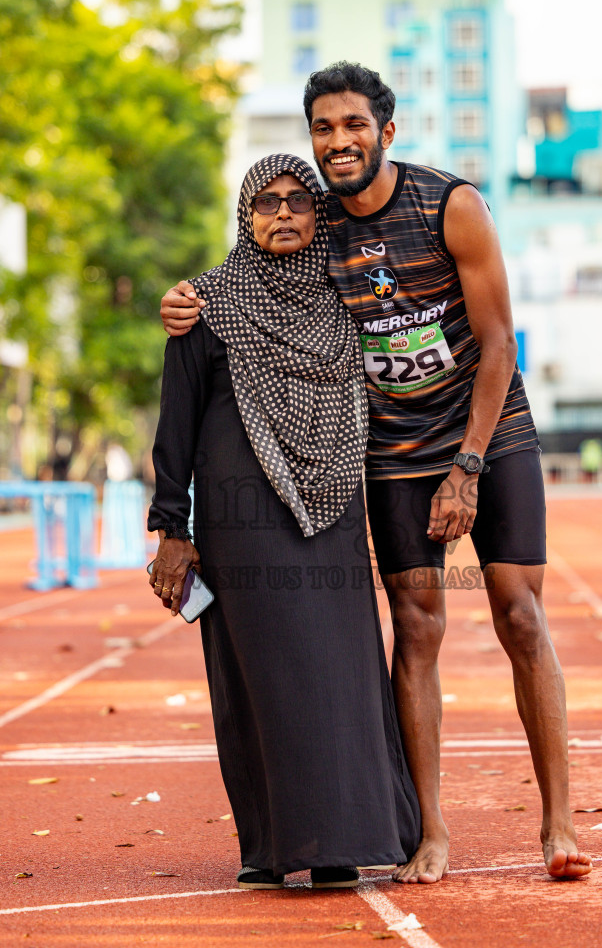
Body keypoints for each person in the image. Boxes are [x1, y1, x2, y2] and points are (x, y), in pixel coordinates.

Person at [160, 63, 593, 884]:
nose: (338, 142)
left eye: (353, 125)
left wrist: (467, 467)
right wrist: (186, 300)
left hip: (487, 433)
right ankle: (429, 831)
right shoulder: (313, 218)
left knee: (518, 613)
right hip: (393, 451)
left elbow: (498, 343)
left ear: (385, 131)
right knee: (417, 626)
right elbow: (252, 269)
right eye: (323, 128)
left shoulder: (449, 206)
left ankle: (559, 823)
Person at [148, 153, 420, 890]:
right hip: (241, 524)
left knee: (339, 674)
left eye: (298, 200)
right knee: (258, 677)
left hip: (332, 511)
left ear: (318, 214)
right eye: (266, 202)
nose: (283, 214)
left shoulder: (346, 298)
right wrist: (172, 530)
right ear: (246, 216)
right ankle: (270, 845)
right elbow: (175, 426)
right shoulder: (207, 304)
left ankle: (342, 842)